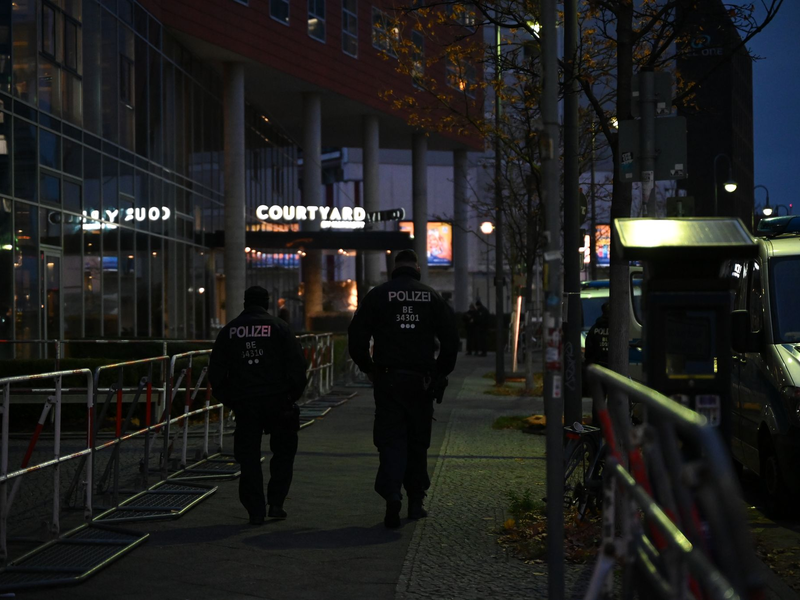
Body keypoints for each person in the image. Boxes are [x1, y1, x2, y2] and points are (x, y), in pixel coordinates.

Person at [348, 249, 459, 529]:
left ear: (395, 269)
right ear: (417, 269)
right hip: (421, 382)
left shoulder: (378, 295)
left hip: (388, 380)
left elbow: (356, 336)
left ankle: (391, 494)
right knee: (418, 441)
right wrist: (439, 372)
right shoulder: (431, 296)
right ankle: (416, 500)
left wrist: (369, 367)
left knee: (390, 440)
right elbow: (451, 340)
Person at [209, 286, 308, 524]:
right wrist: (291, 396)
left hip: (246, 404)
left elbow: (216, 373)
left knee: (249, 457)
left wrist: (232, 400)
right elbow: (297, 367)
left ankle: (255, 509)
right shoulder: (280, 328)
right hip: (279, 402)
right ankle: (276, 503)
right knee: (283, 453)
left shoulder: (229, 330)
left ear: (245, 303)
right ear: (267, 303)